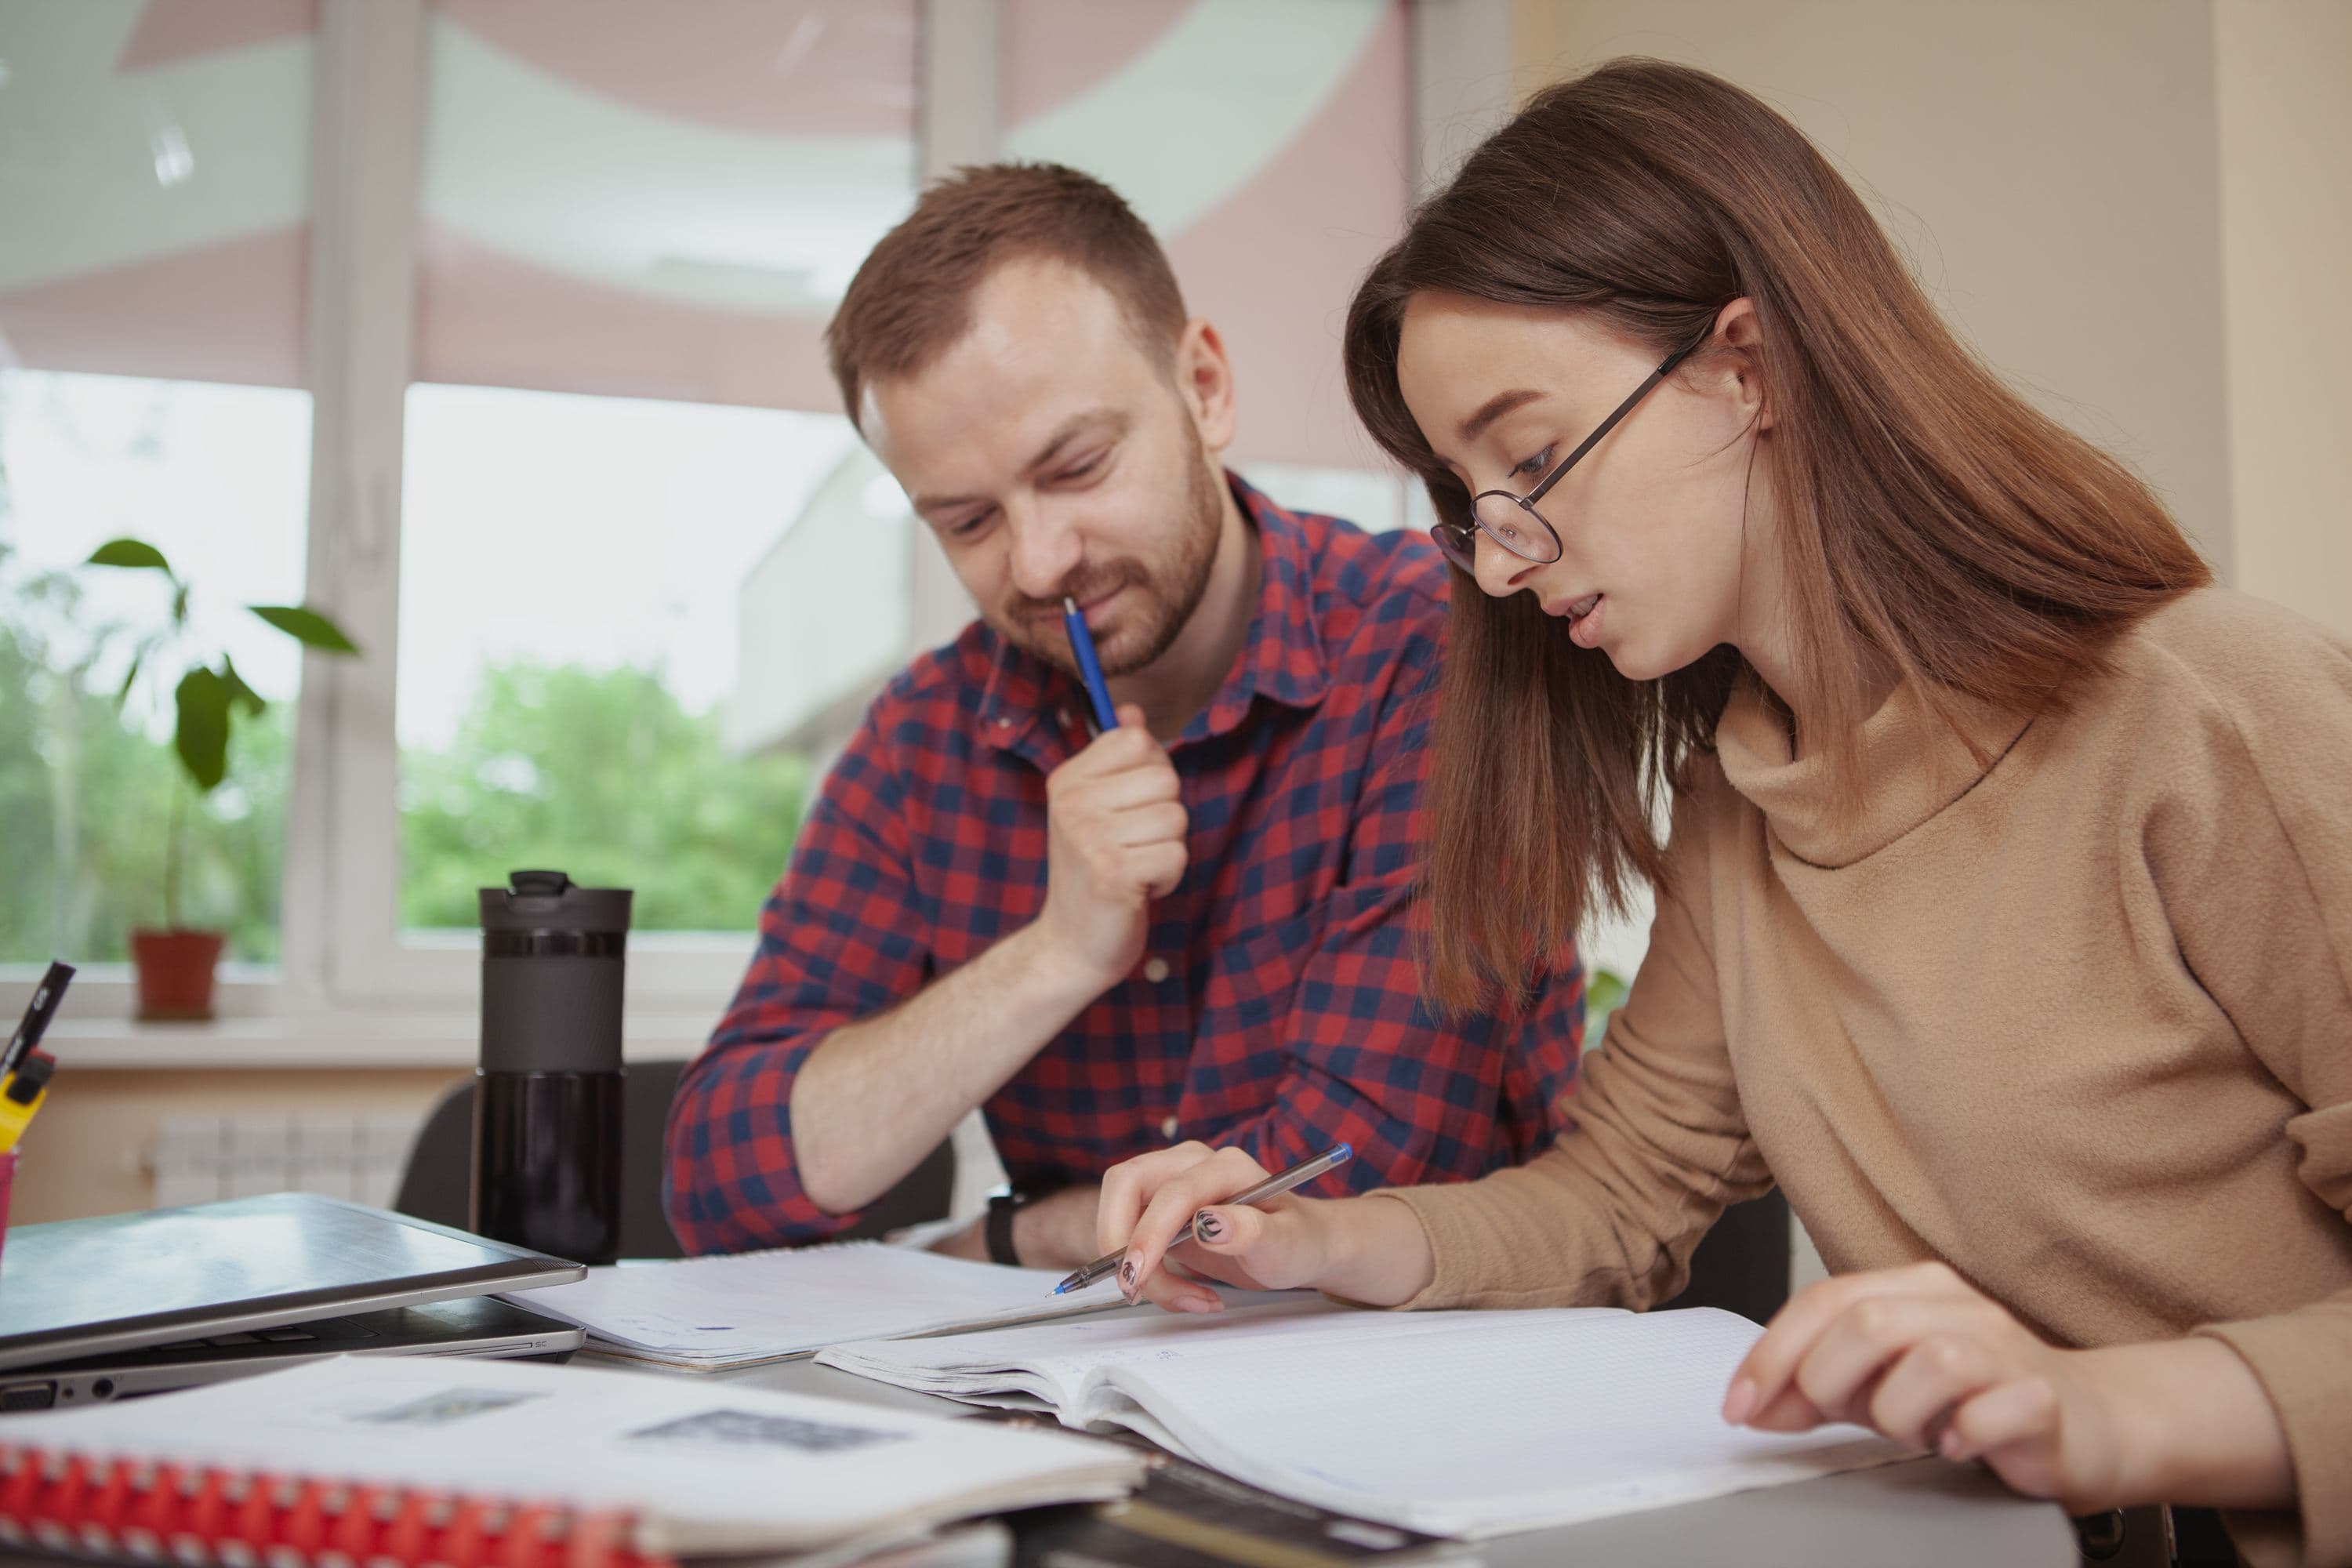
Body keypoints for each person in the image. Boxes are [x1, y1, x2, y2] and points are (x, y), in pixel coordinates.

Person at [1096, 60, 2350, 1563]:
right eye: (1470, 496)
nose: (1499, 564)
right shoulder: (1745, 794)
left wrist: (2103, 1410)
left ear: (1747, 368)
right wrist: (1311, 1239)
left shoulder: (2216, 711)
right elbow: (1621, 1196)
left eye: (1535, 456)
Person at [662, 164, 1583, 1269]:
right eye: (966, 522)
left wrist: (1016, 1234)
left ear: (1203, 388)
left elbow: (1355, 1174)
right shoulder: (927, 738)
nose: (1042, 562)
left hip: (1431, 1378)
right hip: (1088, 1394)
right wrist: (1056, 953)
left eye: (1079, 466)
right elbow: (719, 1183)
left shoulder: (1432, 645)